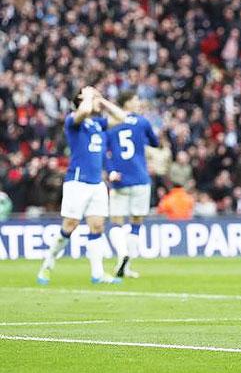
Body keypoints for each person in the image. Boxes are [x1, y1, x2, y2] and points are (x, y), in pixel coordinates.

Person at [37, 87, 127, 285]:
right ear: (80, 99)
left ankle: (97, 274)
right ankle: (48, 261)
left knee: (97, 226)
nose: (96, 100)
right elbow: (83, 112)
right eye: (92, 97)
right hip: (77, 182)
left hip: (97, 184)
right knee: (69, 226)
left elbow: (122, 117)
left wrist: (102, 100)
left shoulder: (98, 124)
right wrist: (88, 96)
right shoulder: (73, 120)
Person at [106, 92, 159, 278]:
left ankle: (122, 256)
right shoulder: (142, 122)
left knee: (116, 222)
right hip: (141, 178)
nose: (138, 103)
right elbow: (155, 142)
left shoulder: (111, 126)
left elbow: (105, 152)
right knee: (136, 222)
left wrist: (111, 170)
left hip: (120, 179)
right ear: (126, 103)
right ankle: (127, 264)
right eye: (135, 100)